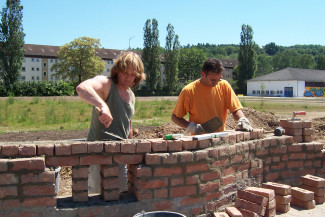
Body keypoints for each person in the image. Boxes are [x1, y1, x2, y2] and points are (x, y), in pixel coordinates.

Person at [76, 51, 146, 193]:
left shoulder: (131, 96)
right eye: (125, 72)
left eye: (132, 74)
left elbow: (128, 126)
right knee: (97, 198)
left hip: (119, 156)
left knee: (118, 197)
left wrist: (130, 152)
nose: (128, 78)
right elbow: (82, 88)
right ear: (117, 70)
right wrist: (103, 105)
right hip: (98, 155)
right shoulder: (107, 84)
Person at [171, 58, 253, 135]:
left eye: (219, 79)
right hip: (199, 141)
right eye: (213, 80)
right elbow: (175, 117)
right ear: (203, 74)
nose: (217, 83)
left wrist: (242, 119)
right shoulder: (189, 91)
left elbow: (235, 109)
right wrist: (192, 126)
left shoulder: (224, 85)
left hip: (220, 138)